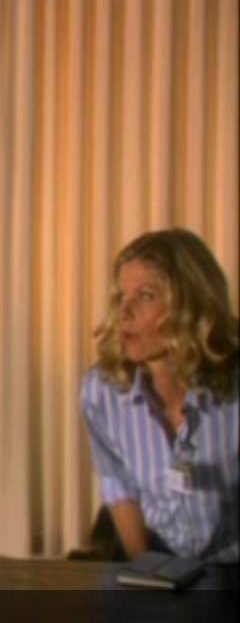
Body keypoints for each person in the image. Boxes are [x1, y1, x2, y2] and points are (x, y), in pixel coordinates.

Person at [82, 228, 238, 564]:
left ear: (192, 304)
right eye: (121, 297)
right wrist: (149, 571)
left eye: (145, 296)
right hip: (157, 563)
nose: (124, 313)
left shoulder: (232, 393)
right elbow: (118, 488)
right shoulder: (103, 392)